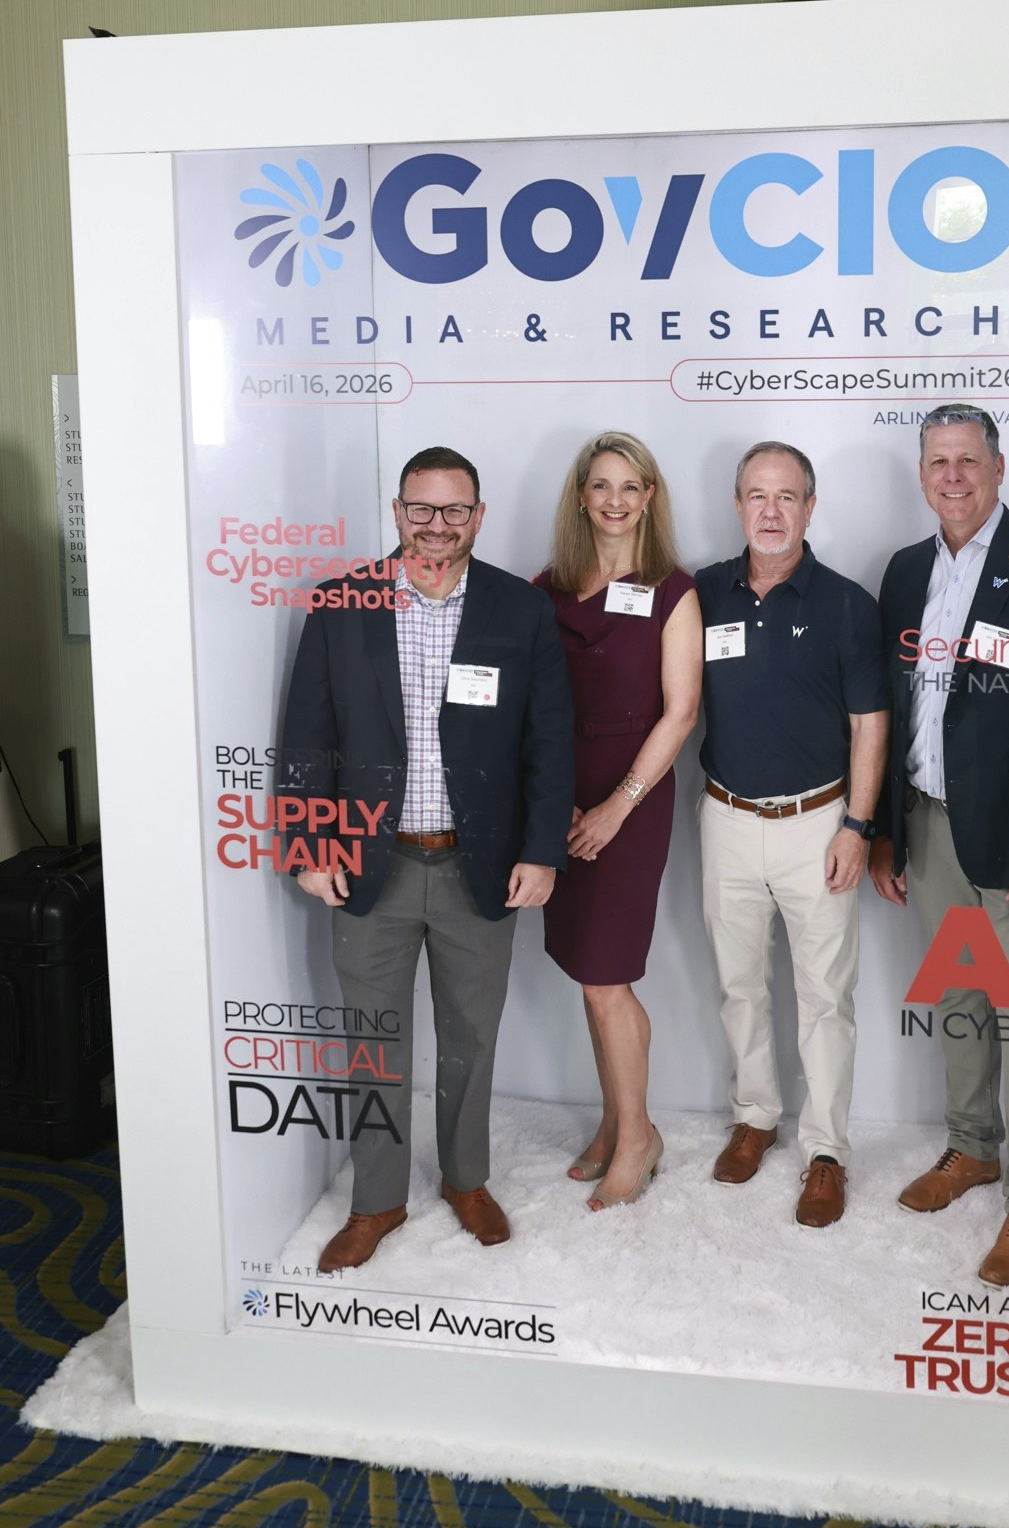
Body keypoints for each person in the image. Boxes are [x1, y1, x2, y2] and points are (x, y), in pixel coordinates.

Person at [280, 445, 574, 1270]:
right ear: (398, 511)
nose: (436, 526)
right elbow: (305, 737)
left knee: (471, 1037)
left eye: (454, 510)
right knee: (373, 1041)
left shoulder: (521, 609)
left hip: (480, 865)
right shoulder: (342, 603)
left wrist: (542, 851)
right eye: (421, 509)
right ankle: (376, 1200)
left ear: (478, 516)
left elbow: (550, 742)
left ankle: (466, 1179)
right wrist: (307, 844)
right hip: (370, 867)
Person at [870, 403, 1009, 1289]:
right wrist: (888, 832)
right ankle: (973, 1147)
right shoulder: (904, 571)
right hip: (929, 826)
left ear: (998, 468)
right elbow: (892, 710)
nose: (952, 477)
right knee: (959, 999)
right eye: (938, 462)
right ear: (922, 474)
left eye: (968, 460)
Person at [696, 442, 889, 1228]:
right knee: (739, 984)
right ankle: (755, 1116)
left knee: (825, 998)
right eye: (757, 495)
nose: (770, 512)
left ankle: (827, 1152)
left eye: (787, 497)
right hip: (726, 819)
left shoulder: (847, 604)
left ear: (810, 506)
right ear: (737, 504)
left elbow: (869, 725)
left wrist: (857, 827)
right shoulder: (702, 593)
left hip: (819, 825)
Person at [535, 432, 701, 1211]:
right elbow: (530, 702)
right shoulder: (546, 589)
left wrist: (615, 805)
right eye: (601, 485)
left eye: (630, 486)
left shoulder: (672, 591)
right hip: (561, 792)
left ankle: (639, 1137)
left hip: (633, 793)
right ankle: (614, 1121)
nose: (615, 500)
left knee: (608, 978)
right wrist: (553, 798)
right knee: (586, 969)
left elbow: (681, 713)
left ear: (650, 497)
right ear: (580, 496)